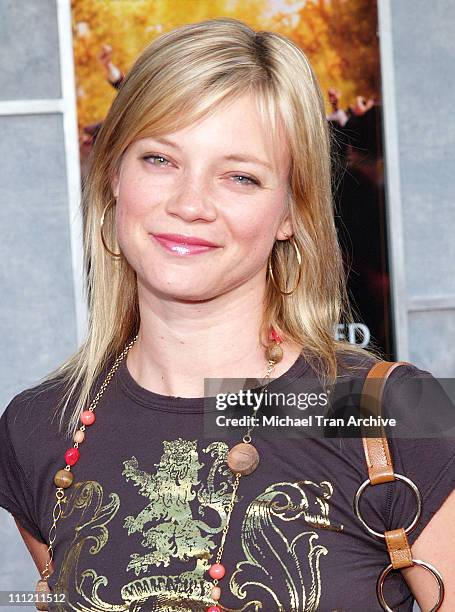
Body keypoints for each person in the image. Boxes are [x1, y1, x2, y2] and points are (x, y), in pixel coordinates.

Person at [1, 17, 454, 612]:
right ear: (113, 176)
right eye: (160, 160)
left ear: (292, 211)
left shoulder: (393, 412)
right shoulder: (41, 427)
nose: (190, 204)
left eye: (240, 176)